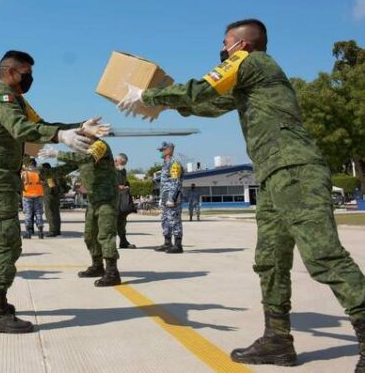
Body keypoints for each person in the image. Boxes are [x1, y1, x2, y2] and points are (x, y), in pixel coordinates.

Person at [117, 18, 365, 369]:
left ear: (242, 45)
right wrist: (164, 104)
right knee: (270, 261)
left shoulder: (252, 62)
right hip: (273, 175)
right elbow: (211, 105)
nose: (222, 49)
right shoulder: (250, 80)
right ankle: (277, 340)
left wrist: (149, 95)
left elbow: (202, 89)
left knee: (323, 255)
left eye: (225, 43)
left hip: (295, 169)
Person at [0, 49, 109, 334]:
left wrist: (77, 128)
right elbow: (22, 129)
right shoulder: (2, 98)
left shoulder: (17, 100)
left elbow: (39, 125)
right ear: (10, 72)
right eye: (26, 73)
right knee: (5, 242)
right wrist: (60, 136)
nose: (30, 78)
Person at [39, 139, 122, 287]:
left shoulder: (99, 145)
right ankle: (97, 266)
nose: (79, 137)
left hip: (107, 199)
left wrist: (57, 153)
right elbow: (64, 169)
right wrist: (38, 172)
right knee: (90, 235)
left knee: (106, 234)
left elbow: (87, 158)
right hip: (93, 199)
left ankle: (112, 272)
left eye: (82, 133)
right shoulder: (81, 153)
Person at [151, 142, 184, 254]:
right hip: (165, 195)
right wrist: (162, 197)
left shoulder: (174, 163)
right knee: (165, 219)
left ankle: (178, 245)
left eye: (163, 150)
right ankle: (167, 243)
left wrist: (172, 198)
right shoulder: (165, 163)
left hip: (172, 196)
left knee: (174, 219)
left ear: (169, 150)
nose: (161, 152)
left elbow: (176, 181)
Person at [115, 153, 136, 249]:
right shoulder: (108, 169)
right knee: (110, 223)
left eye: (125, 163)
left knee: (122, 221)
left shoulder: (123, 171)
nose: (123, 165)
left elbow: (124, 181)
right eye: (122, 163)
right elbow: (105, 183)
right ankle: (108, 244)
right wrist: (118, 186)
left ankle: (123, 242)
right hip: (112, 200)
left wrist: (127, 186)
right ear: (117, 160)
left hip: (121, 199)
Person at [21, 158, 44, 239]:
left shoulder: (24, 173)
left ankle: (28, 233)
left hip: (27, 196)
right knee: (39, 214)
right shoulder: (40, 173)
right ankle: (40, 232)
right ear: (35, 164)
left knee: (28, 214)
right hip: (38, 195)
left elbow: (20, 183)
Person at [41, 163, 62, 237]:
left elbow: (51, 186)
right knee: (56, 213)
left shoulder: (49, 175)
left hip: (49, 196)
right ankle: (57, 230)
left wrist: (42, 183)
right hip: (55, 196)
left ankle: (52, 231)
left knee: (50, 213)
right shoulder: (54, 174)